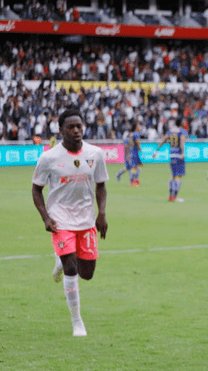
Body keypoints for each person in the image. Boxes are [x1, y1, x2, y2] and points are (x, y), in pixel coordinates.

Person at [31, 108, 109, 337]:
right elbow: (36, 190)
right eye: (71, 127)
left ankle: (58, 262)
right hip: (60, 220)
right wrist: (46, 218)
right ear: (61, 130)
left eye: (79, 126)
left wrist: (101, 213)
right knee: (71, 268)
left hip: (86, 220)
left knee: (87, 273)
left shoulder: (95, 153)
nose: (76, 131)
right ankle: (77, 322)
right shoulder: (49, 158)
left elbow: (101, 185)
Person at [152, 119, 187, 202]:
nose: (185, 122)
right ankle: (175, 196)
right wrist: (183, 153)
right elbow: (182, 141)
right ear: (181, 123)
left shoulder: (170, 131)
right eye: (184, 121)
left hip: (172, 155)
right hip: (178, 155)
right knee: (178, 176)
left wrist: (157, 150)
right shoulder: (182, 131)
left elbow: (164, 140)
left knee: (173, 176)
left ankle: (170, 196)